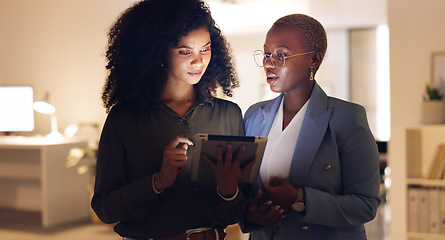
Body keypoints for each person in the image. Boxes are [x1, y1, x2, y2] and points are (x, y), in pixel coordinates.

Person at [91, 0, 254, 239]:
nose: (198, 61)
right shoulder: (124, 118)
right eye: (185, 52)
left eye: (205, 49)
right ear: (157, 52)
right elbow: (105, 208)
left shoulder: (228, 114)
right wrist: (157, 182)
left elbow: (238, 211)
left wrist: (228, 190)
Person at [241, 14, 380, 239]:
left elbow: (366, 204)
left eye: (281, 55)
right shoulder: (254, 115)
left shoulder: (346, 118)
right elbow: (245, 191)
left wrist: (300, 199)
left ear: (314, 60)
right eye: (266, 54)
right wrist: (250, 214)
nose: (269, 63)